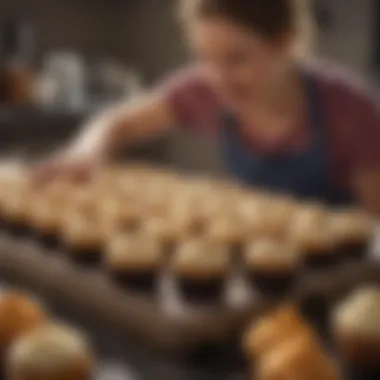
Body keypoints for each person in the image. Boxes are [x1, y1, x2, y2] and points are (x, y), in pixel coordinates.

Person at [34, 0, 380, 212]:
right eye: (206, 58)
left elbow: (374, 229)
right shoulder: (204, 89)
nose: (219, 79)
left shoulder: (350, 110)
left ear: (284, 44)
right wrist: (84, 152)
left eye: (237, 59)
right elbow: (117, 122)